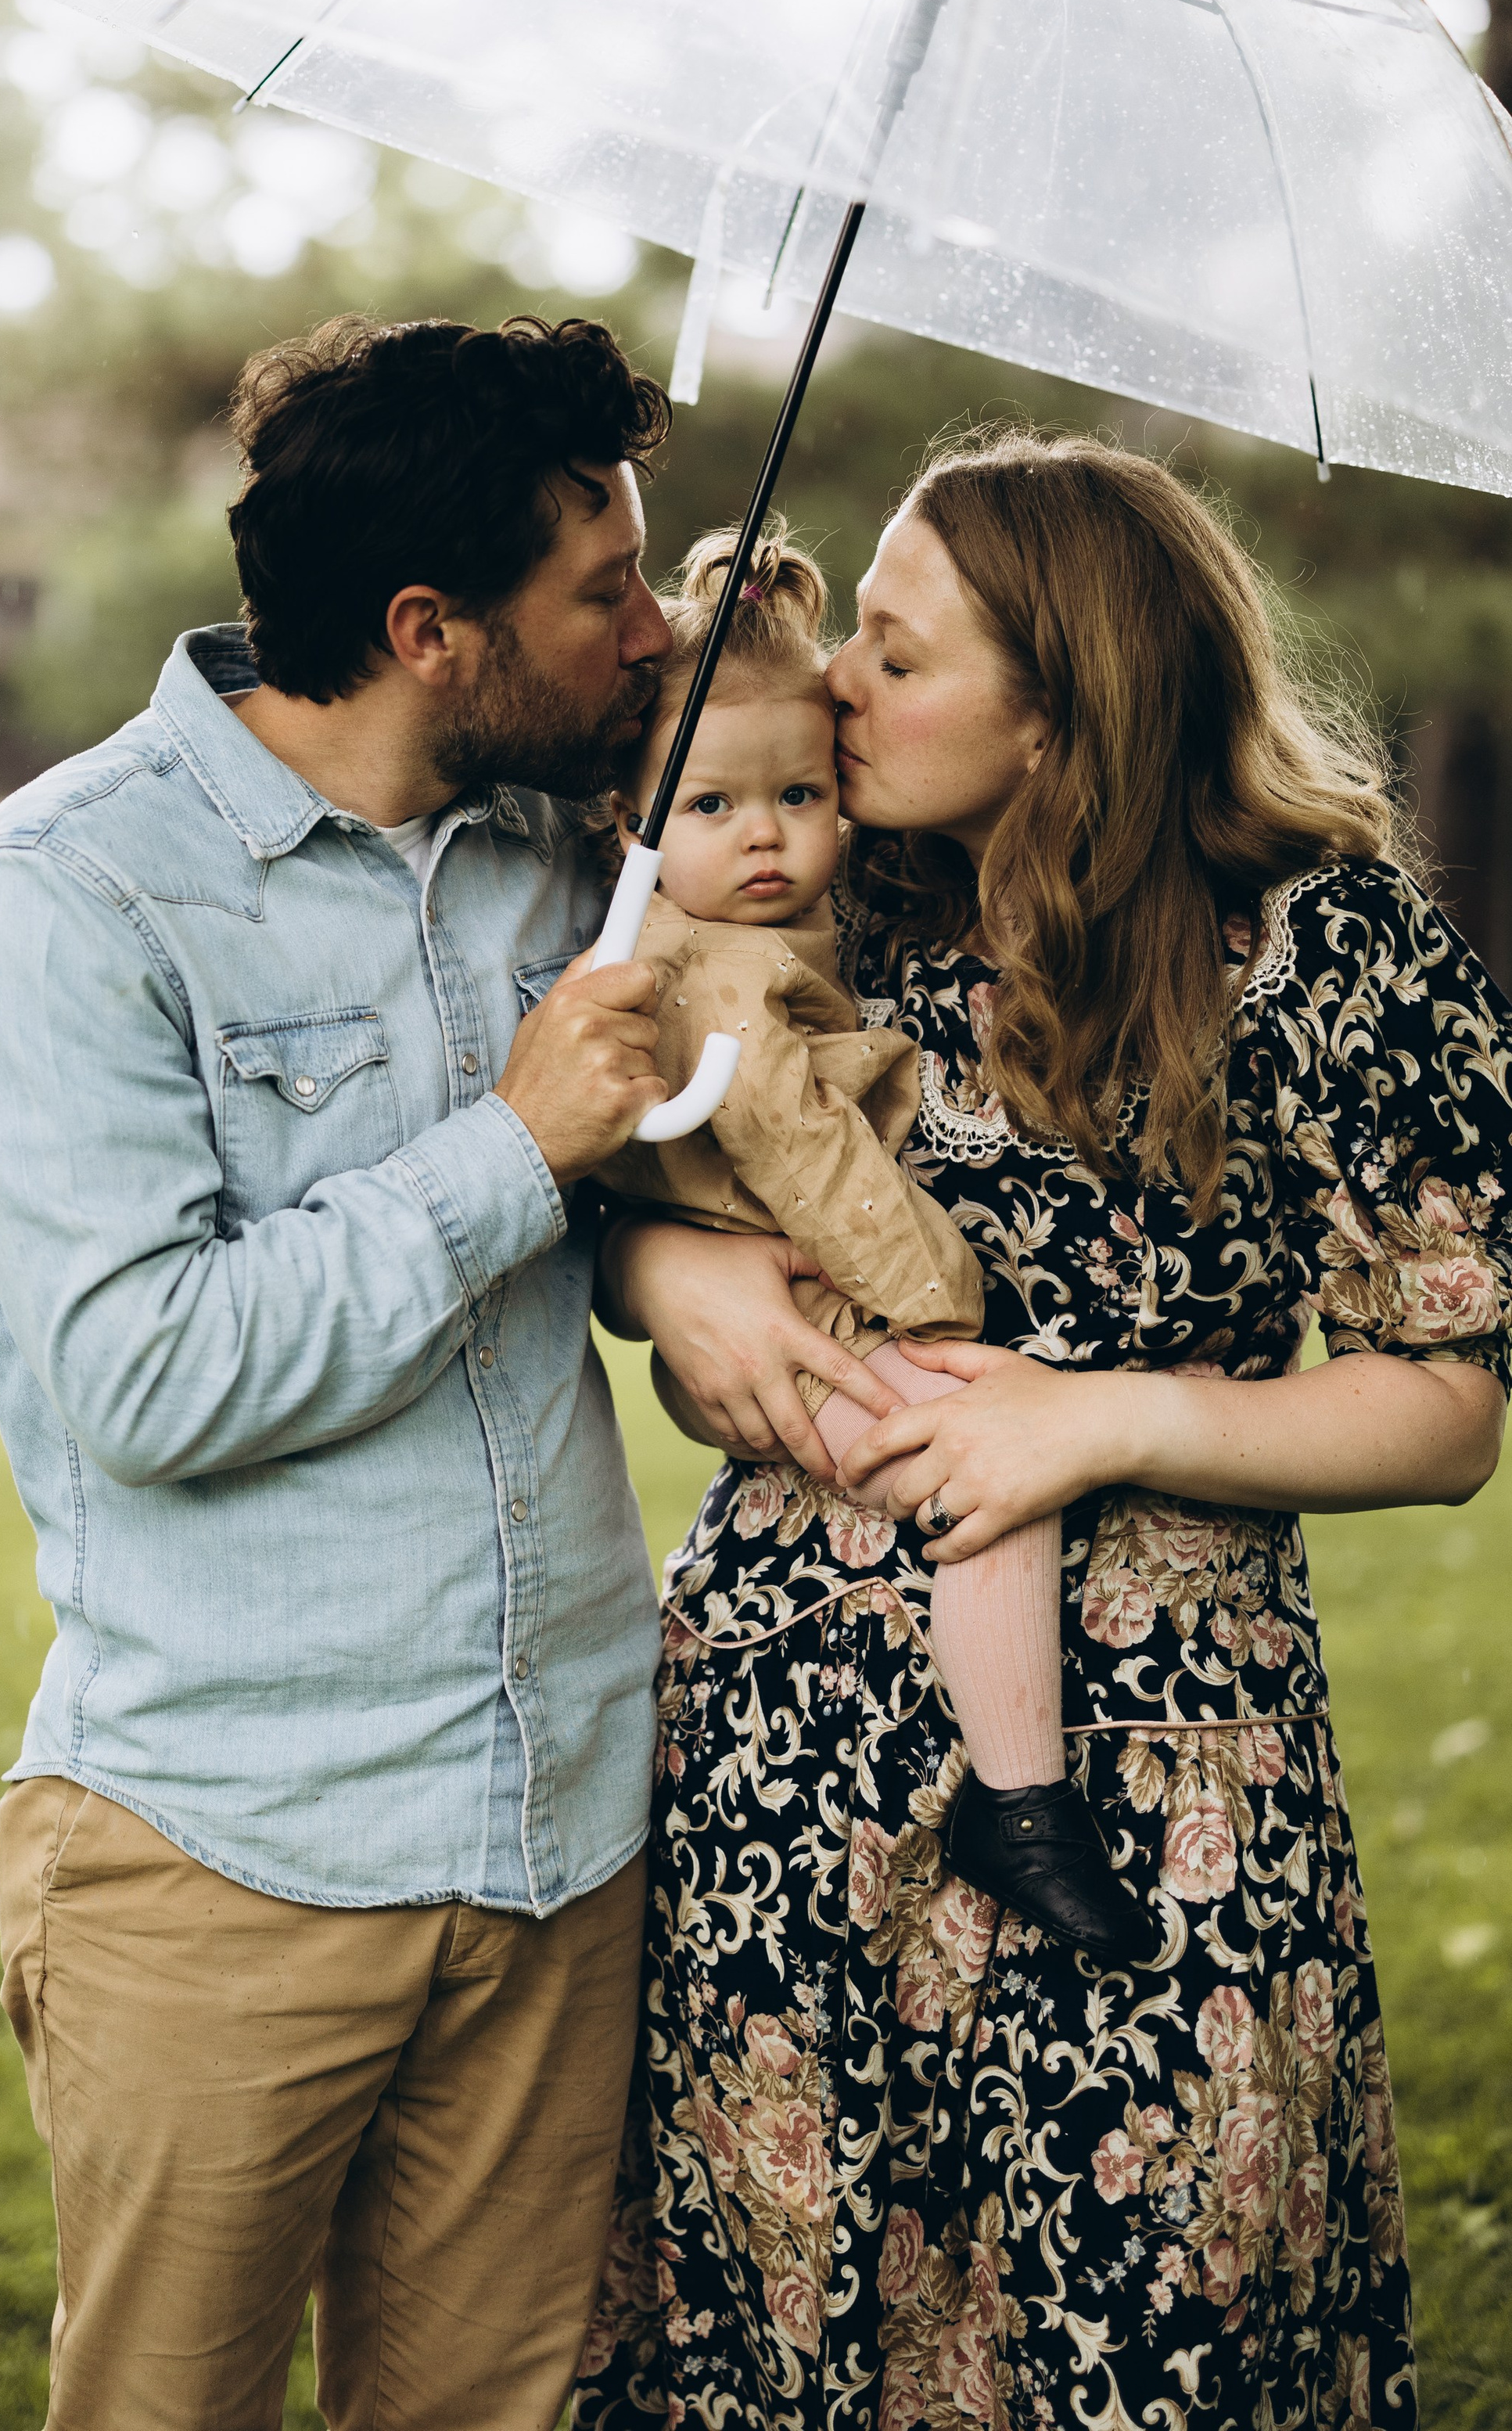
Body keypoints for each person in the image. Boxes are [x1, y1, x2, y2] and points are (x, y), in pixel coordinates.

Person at [0, 314, 876, 2431]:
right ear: (430, 630)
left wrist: (658, 1252)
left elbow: (652, 1151)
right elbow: (145, 1375)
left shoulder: (575, 855)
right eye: (603, 593)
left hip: (563, 1838)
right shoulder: (75, 898)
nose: (654, 635)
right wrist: (515, 1149)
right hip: (228, 1851)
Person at [575, 432, 1509, 2431]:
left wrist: (1102, 1420)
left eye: (897, 657)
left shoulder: (1320, 942)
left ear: (1060, 706)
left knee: (1141, 2323)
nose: (838, 690)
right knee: (793, 2332)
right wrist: (662, 1276)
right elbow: (660, 1163)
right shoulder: (835, 890)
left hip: (1152, 1776)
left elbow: (1443, 1407)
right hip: (790, 1762)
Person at [600, 518, 1150, 1968]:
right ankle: (1021, 1798)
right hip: (841, 1307)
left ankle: (1017, 1795)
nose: (766, 834)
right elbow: (806, 1152)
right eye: (713, 805)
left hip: (804, 1314)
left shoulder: (810, 913)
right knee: (983, 1472)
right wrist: (939, 1298)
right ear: (632, 822)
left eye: (801, 794)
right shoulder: (722, 968)